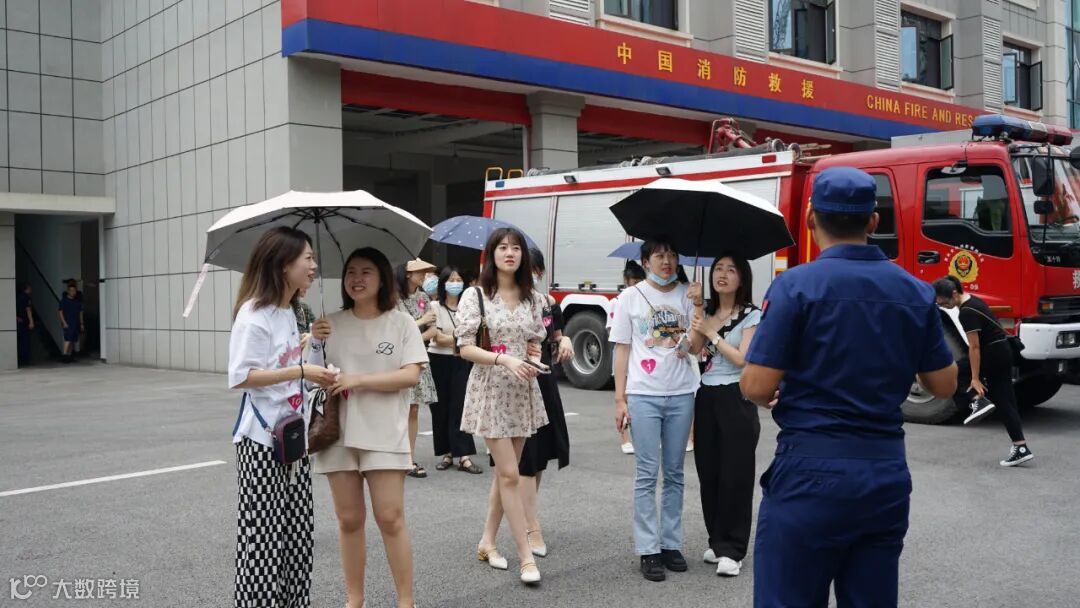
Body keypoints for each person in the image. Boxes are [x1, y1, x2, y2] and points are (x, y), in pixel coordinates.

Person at [740, 167, 958, 608]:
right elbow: (943, 384)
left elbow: (757, 386)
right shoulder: (915, 292)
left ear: (810, 219)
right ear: (873, 221)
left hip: (809, 471)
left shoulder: (794, 286)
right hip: (882, 471)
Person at [308, 247, 428, 608]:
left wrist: (358, 380)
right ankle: (354, 600)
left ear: (382, 279)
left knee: (390, 518)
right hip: (336, 433)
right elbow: (311, 377)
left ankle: (406, 601)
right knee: (348, 519)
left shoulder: (401, 322)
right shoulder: (329, 324)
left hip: (384, 431)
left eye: (366, 272)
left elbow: (410, 375)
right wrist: (315, 341)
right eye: (351, 272)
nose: (356, 279)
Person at [227, 226, 337, 608]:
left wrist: (316, 343)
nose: (314, 266)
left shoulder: (289, 312)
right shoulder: (254, 314)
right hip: (262, 442)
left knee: (297, 536)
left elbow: (297, 373)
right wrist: (301, 371)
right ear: (283, 263)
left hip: (293, 439)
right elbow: (241, 376)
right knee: (262, 540)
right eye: (308, 258)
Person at [456, 227, 548, 585]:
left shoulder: (533, 298)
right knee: (510, 474)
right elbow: (465, 347)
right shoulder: (475, 295)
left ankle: (487, 541)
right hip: (491, 389)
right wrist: (504, 359)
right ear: (491, 255)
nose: (510, 253)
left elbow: (534, 340)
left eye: (516, 248)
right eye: (503, 248)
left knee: (504, 475)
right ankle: (526, 557)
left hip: (522, 389)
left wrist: (532, 356)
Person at [610, 238, 701, 582]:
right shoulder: (630, 297)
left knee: (675, 472)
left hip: (681, 393)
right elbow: (622, 349)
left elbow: (697, 347)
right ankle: (648, 548)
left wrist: (699, 308)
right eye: (659, 255)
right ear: (645, 261)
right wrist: (620, 399)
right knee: (647, 474)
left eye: (672, 255)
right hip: (643, 394)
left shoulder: (688, 295)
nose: (667, 261)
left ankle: (670, 544)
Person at [479, 248, 573, 561]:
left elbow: (555, 336)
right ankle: (531, 528)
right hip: (507, 385)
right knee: (522, 466)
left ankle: (490, 537)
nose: (527, 272)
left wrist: (565, 340)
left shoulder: (546, 303)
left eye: (533, 268)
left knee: (538, 458)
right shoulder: (492, 300)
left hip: (541, 382)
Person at [686, 253, 761, 577]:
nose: (723, 274)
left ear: (742, 278)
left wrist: (714, 334)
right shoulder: (707, 312)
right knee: (710, 471)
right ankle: (717, 540)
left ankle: (734, 548)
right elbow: (693, 348)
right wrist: (697, 309)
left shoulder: (751, 315)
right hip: (706, 396)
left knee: (736, 474)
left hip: (736, 396)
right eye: (718, 268)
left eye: (731, 270)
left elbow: (743, 358)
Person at [933, 275, 1034, 466]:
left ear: (954, 293)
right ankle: (1020, 447)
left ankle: (976, 401)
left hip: (991, 353)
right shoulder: (974, 301)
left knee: (954, 371)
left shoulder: (966, 312)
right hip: (1003, 351)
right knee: (1006, 401)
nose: (942, 306)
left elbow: (974, 347)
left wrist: (975, 378)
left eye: (943, 302)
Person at [428, 266, 482, 474]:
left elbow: (475, 335)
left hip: (461, 359)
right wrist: (461, 336)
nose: (455, 283)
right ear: (443, 283)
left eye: (459, 279)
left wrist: (457, 338)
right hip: (438, 360)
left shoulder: (467, 306)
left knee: (460, 405)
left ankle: (464, 456)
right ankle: (448, 453)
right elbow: (438, 339)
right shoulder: (435, 306)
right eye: (451, 279)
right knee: (440, 408)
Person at [396, 259, 440, 478]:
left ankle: (409, 458)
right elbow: (397, 330)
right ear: (407, 274)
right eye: (419, 272)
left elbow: (433, 330)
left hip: (418, 357)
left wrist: (415, 338)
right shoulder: (394, 298)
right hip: (398, 359)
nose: (424, 275)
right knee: (399, 407)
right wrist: (421, 321)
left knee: (414, 408)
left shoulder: (424, 297)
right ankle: (396, 455)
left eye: (425, 272)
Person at [608, 260, 646, 455]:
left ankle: (639, 436)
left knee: (636, 399)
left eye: (640, 281)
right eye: (634, 281)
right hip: (623, 354)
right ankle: (624, 438)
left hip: (639, 357)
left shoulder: (643, 301)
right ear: (626, 280)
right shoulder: (617, 301)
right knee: (623, 397)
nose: (636, 285)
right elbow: (613, 331)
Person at [58, 281, 84, 364]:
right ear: (68, 291)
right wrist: (64, 322)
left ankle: (70, 356)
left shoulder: (77, 302)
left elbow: (80, 313)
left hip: (75, 323)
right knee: (68, 339)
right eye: (71, 290)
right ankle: (65, 356)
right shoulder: (64, 301)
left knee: (72, 340)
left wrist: (81, 324)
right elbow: (60, 312)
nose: (73, 292)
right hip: (68, 323)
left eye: (74, 291)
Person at [16, 282, 34, 366]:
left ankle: (20, 359)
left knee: (20, 341)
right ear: (27, 289)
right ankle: (25, 360)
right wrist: (31, 322)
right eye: (30, 288)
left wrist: (16, 317)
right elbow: (28, 310)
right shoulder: (27, 297)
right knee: (25, 341)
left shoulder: (17, 297)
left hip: (19, 321)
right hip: (24, 321)